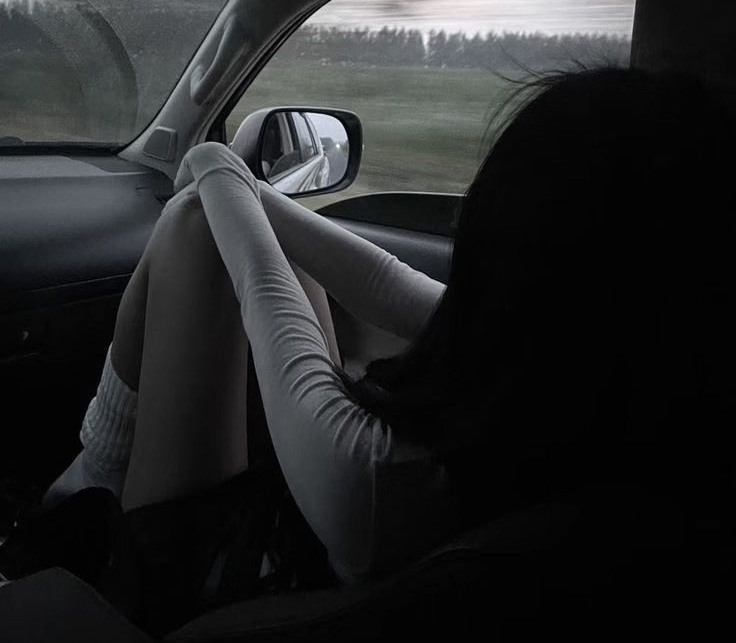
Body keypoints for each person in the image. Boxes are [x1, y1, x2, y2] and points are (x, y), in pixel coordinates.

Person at [15, 66, 736, 628]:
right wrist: (232, 180)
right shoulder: (618, 393)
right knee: (231, 232)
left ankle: (86, 486)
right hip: (343, 575)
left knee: (198, 230)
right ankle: (90, 479)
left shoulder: (376, 481)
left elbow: (271, 303)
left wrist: (210, 158)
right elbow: (391, 286)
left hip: (223, 598)